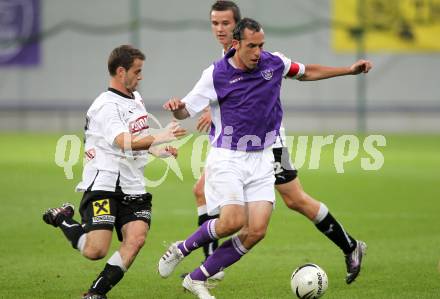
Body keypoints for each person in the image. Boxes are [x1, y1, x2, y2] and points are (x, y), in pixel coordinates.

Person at [158, 18, 372, 298]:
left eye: (261, 45)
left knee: (257, 229)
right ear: (236, 45)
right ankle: (181, 249)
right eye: (252, 46)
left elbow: (306, 72)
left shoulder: (274, 63)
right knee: (234, 221)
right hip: (229, 157)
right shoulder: (215, 74)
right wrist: (177, 109)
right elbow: (186, 110)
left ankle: (197, 279)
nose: (258, 52)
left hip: (264, 156)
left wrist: (347, 70)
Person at [42, 45, 186, 299]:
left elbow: (139, 139)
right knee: (95, 250)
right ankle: (62, 217)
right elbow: (122, 141)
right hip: (105, 184)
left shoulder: (135, 100)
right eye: (137, 71)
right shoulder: (106, 106)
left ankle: (96, 294)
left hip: (133, 185)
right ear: (121, 72)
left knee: (136, 239)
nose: (141, 76)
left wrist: (159, 150)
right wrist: (162, 134)